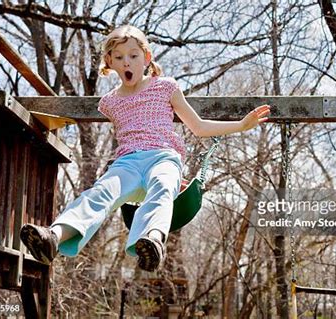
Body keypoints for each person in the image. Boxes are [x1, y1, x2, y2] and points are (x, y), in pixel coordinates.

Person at [20, 25, 270, 272]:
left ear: (147, 58)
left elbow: (199, 127)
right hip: (127, 163)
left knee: (162, 186)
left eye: (133, 56)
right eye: (119, 58)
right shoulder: (109, 102)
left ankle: (152, 240)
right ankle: (53, 237)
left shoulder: (165, 87)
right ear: (110, 62)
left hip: (163, 158)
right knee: (100, 192)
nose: (126, 62)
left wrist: (240, 125)